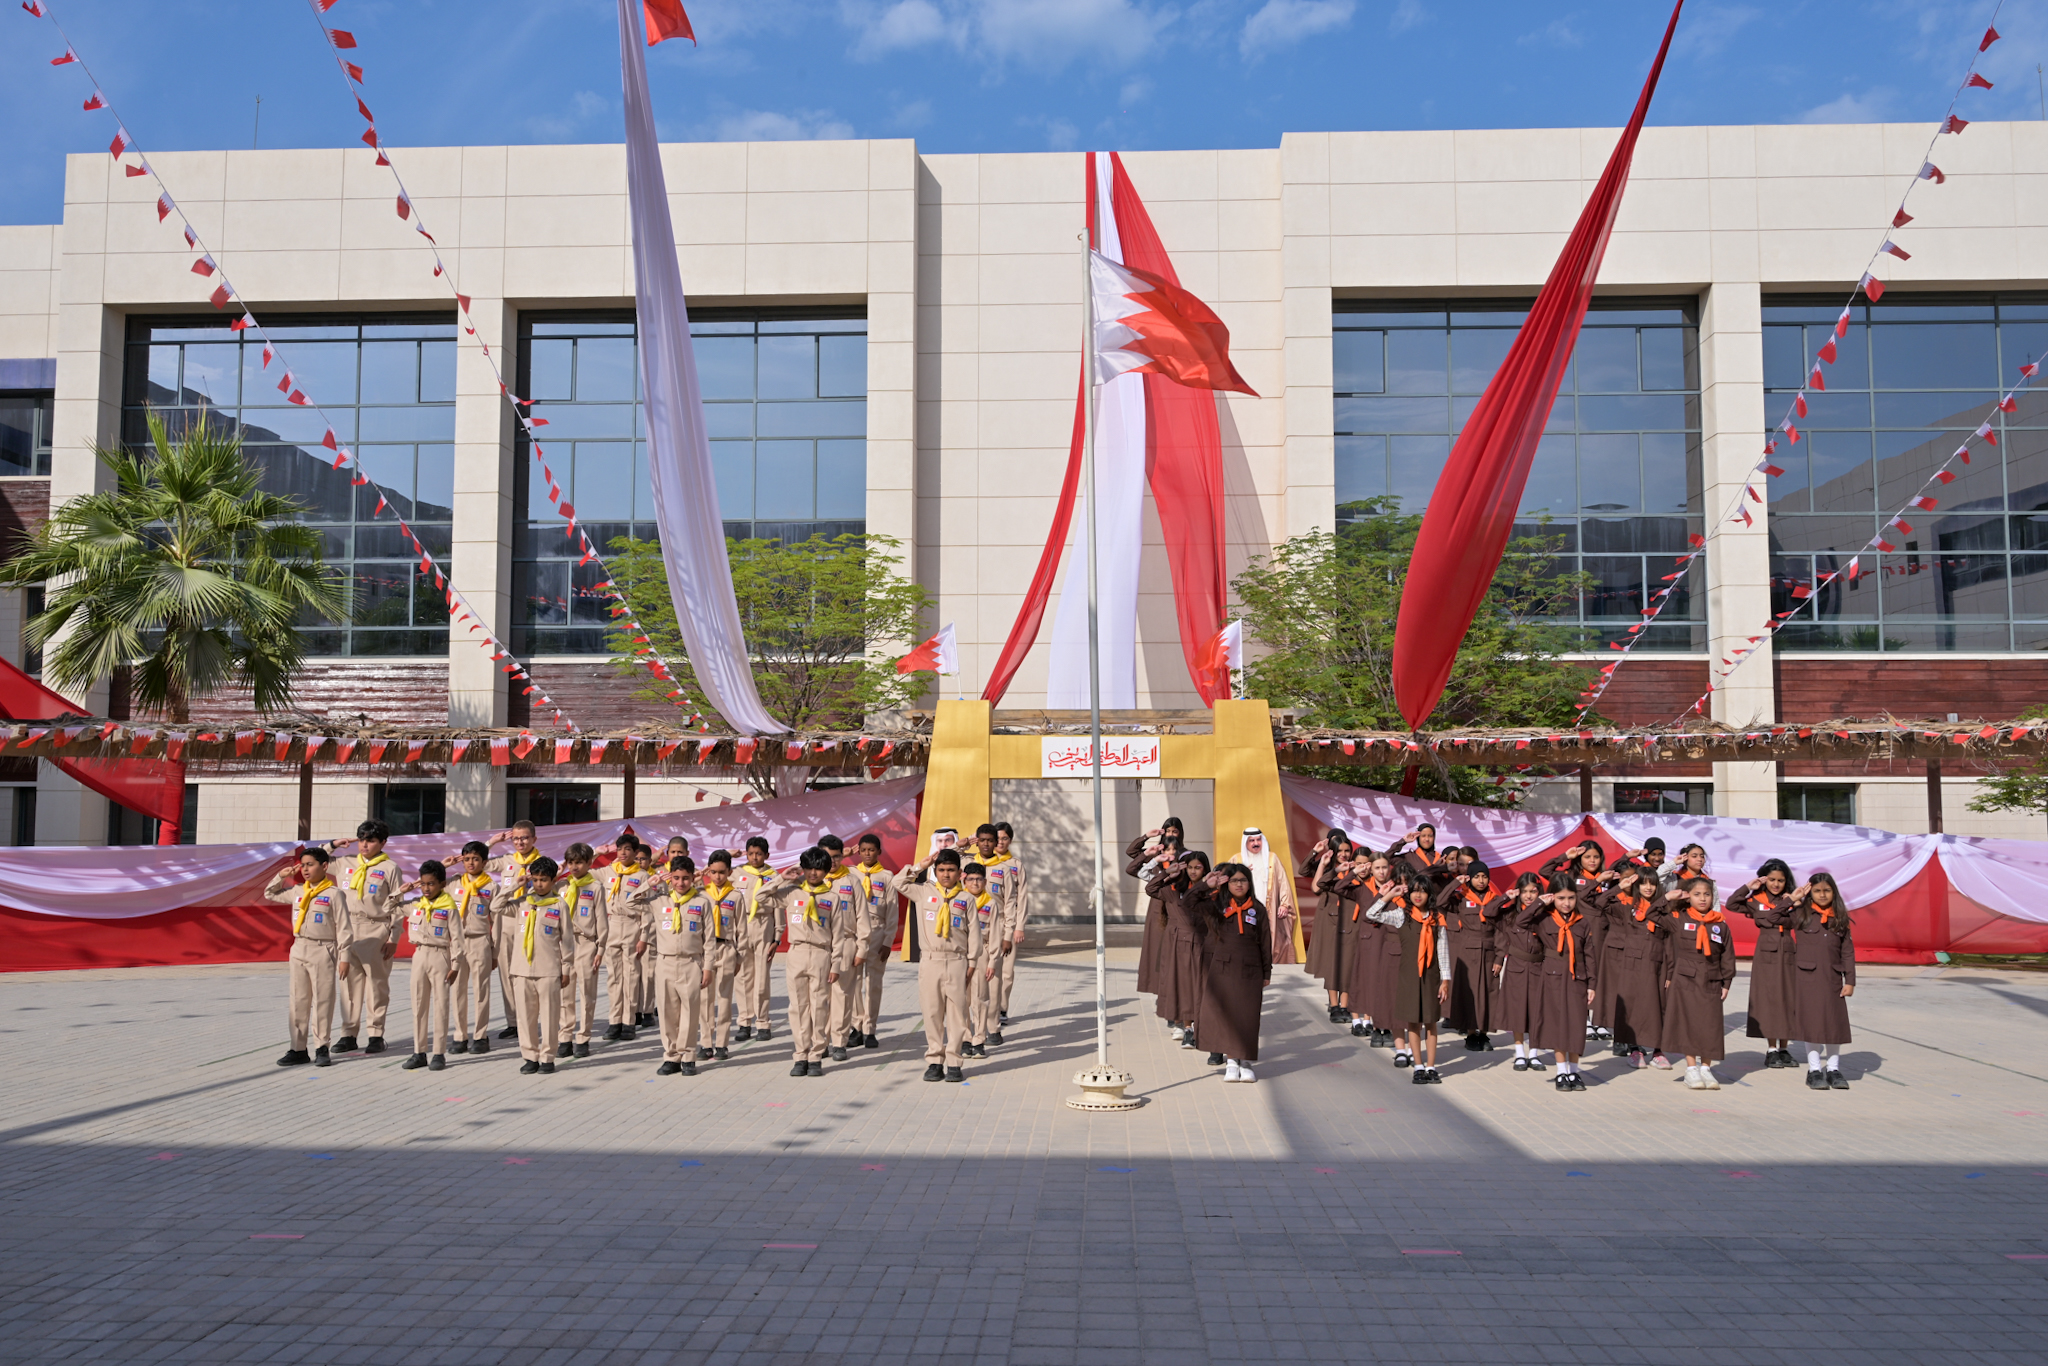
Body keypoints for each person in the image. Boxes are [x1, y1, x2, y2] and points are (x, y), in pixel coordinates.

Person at [761, 848, 855, 1077]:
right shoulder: (792, 893)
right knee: (798, 1007)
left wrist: (835, 965)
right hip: (797, 952)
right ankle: (800, 1055)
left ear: (825, 871)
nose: (814, 873)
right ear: (803, 869)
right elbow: (760, 897)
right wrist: (782, 877)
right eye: (809, 868)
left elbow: (839, 935)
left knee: (819, 1006)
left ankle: (816, 1055)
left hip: (821, 954)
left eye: (819, 869)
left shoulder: (832, 898)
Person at [892, 846, 982, 1082]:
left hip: (957, 961)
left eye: (951, 870)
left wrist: (972, 962)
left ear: (959, 873)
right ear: (935, 871)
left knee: (956, 1015)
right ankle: (934, 1060)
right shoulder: (923, 892)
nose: (946, 875)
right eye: (941, 870)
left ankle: (954, 1062)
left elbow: (974, 934)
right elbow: (897, 883)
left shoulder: (965, 899)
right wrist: (920, 866)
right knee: (932, 1013)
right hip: (931, 961)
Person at [1188, 862, 1273, 1083]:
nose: (1239, 884)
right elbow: (1189, 901)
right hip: (1223, 969)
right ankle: (1232, 1061)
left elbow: (1265, 943)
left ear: (1249, 883)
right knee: (1226, 1015)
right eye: (1234, 880)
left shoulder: (1258, 909)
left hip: (1250, 970)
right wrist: (1207, 885)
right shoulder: (1217, 906)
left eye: (1243, 880)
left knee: (1247, 1016)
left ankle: (1245, 1061)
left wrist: (1266, 972)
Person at [331, 820, 403, 1055]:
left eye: (370, 840)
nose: (364, 845)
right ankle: (348, 1033)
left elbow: (397, 905)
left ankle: (375, 1034)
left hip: (375, 929)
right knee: (348, 986)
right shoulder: (345, 862)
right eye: (361, 839)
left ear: (382, 842)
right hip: (347, 929)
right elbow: (314, 859)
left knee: (376, 985)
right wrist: (333, 844)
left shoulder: (390, 868)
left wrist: (393, 937)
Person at [266, 846, 342, 1067]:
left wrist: (344, 957)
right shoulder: (298, 890)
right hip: (299, 948)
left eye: (310, 865)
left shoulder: (334, 894)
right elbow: (270, 893)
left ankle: (321, 1047)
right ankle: (298, 1048)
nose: (305, 869)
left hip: (323, 948)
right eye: (303, 865)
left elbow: (344, 929)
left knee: (322, 1000)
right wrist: (281, 876)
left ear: (325, 866)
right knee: (298, 1000)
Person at [1591, 863, 1672, 1070]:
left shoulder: (1665, 908)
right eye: (1643, 884)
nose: (1648, 888)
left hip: (1657, 962)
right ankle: (1635, 1050)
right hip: (1632, 965)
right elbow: (1599, 903)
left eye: (1652, 884)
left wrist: (1670, 971)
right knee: (1634, 1006)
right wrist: (1620, 887)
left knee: (1657, 1006)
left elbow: (1671, 941)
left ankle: (1658, 1051)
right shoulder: (1627, 907)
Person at [1660, 877, 1735, 1090]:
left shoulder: (1720, 924)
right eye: (1697, 894)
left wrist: (1726, 982)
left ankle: (1706, 1068)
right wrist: (1668, 897)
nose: (1703, 898)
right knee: (1688, 1024)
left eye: (1707, 894)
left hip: (1710, 981)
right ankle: (1691, 1069)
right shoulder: (1678, 919)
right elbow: (1652, 914)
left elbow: (1727, 955)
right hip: (1685, 981)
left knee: (1709, 1026)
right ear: (1688, 896)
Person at [1371, 874, 1447, 1084]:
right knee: (1413, 1022)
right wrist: (1388, 895)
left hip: (1431, 976)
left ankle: (1431, 1067)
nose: (1418, 895)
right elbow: (1372, 914)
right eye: (1414, 891)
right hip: (1408, 975)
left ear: (1429, 894)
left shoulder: (1437, 918)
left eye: (1422, 891)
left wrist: (1446, 980)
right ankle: (1419, 1066)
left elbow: (1443, 952)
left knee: (1431, 1022)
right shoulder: (1401, 915)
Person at [1785, 871, 1855, 1090]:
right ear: (1810, 893)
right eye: (1817, 891)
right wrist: (1792, 899)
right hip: (1807, 980)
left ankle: (1833, 1069)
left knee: (1833, 1025)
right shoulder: (1800, 914)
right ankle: (1814, 1070)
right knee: (1813, 1025)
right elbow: (1772, 918)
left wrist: (1850, 980)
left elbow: (1847, 952)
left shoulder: (1840, 917)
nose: (1822, 895)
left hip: (1832, 979)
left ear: (1834, 892)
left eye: (1827, 890)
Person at [1727, 859, 1799, 1070]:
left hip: (1787, 950)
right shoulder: (1756, 899)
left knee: (1788, 998)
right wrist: (1749, 886)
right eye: (1772, 880)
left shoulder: (1792, 898)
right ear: (1764, 879)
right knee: (1769, 999)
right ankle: (1771, 1049)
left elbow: (1795, 921)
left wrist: (1791, 903)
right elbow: (1732, 903)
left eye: (1781, 880)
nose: (1776, 884)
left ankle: (1784, 1049)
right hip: (1766, 952)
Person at [1145, 850, 1216, 1060]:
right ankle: (1187, 1029)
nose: (1194, 871)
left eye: (1198, 867)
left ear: (1205, 869)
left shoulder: (1211, 891)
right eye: (1190, 867)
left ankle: (1203, 1028)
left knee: (1201, 986)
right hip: (1177, 944)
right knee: (1184, 986)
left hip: (1203, 943)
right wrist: (1169, 874)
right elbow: (1151, 888)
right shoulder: (1174, 889)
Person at [1527, 881, 1595, 1092]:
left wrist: (1592, 984)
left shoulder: (1583, 923)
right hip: (1553, 977)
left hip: (1577, 979)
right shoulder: (1544, 919)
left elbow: (1590, 955)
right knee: (1557, 1025)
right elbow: (1520, 921)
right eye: (1561, 898)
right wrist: (1539, 902)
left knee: (1575, 1025)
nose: (1567, 903)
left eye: (1571, 898)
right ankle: (1561, 1072)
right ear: (1553, 898)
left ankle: (1574, 1071)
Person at [508, 856, 571, 1075]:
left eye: (543, 880)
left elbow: (568, 940)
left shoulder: (559, 905)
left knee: (550, 1015)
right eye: (535, 880)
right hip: (522, 969)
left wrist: (566, 969)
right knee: (525, 1016)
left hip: (549, 969)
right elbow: (495, 906)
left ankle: (547, 1057)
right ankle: (530, 1056)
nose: (539, 884)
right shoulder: (523, 902)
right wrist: (515, 885)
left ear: (553, 881)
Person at [397, 859, 461, 1072]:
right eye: (423, 884)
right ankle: (419, 1051)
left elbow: (458, 938)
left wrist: (456, 964)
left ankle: (439, 1053)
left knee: (441, 1005)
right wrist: (403, 890)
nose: (426, 888)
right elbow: (388, 907)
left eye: (431, 884)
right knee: (418, 1005)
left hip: (440, 956)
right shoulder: (415, 904)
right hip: (419, 955)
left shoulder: (449, 907)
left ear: (442, 884)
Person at [650, 856, 708, 1077]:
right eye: (676, 878)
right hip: (665, 961)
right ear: (670, 878)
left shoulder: (702, 902)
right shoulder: (659, 900)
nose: (681, 883)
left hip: (691, 962)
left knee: (690, 1011)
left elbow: (709, 939)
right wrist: (651, 882)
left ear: (693, 878)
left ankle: (688, 1055)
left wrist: (708, 967)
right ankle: (671, 1056)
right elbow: (630, 902)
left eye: (685, 878)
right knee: (667, 1012)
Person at [485, 821, 542, 1041]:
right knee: (507, 971)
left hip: (532, 919)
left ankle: (531, 1018)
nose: (520, 842)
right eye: (516, 838)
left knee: (530, 971)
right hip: (506, 919)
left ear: (534, 839)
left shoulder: (542, 862)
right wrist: (491, 843)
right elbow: (477, 861)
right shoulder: (505, 861)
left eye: (525, 838)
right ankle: (513, 1022)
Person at [1436, 861, 1501, 1052]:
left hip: (1489, 950)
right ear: (1470, 878)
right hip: (1467, 951)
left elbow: (1501, 930)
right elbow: (1440, 902)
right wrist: (1455, 883)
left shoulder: (1494, 899)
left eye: (1484, 876)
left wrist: (1499, 958)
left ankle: (1484, 1032)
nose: (1481, 881)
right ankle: (1471, 1033)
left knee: (1489, 992)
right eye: (1476, 877)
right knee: (1470, 992)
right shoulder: (1461, 898)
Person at [1126, 820, 1184, 1028]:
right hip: (1158, 911)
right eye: (1168, 831)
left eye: (1175, 831)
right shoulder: (1156, 859)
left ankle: (1175, 1003)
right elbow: (1132, 860)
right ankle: (1164, 998)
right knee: (1159, 956)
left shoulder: (1185, 858)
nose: (1171, 835)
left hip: (1178, 911)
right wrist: (1147, 840)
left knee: (1176, 956)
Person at [553, 843, 607, 1060]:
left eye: (579, 863)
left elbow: (602, 920)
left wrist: (600, 948)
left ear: (589, 863)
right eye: (571, 863)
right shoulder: (561, 887)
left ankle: (583, 1037)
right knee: (564, 994)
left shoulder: (595, 888)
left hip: (586, 943)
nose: (574, 867)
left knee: (587, 993)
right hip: (564, 944)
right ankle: (565, 1037)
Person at [1346, 850, 1403, 1050]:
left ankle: (1386, 1027)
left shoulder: (1397, 888)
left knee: (1387, 985)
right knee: (1371, 985)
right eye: (1377, 867)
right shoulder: (1363, 888)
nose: (1381, 872)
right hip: (1369, 942)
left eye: (1384, 867)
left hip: (1389, 942)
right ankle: (1376, 1027)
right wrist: (1353, 872)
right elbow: (1335, 886)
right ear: (1371, 868)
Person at [1301, 829, 1357, 1024]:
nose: (1344, 854)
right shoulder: (1326, 868)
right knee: (1332, 964)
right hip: (1329, 919)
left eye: (1347, 850)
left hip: (1351, 919)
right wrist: (1318, 856)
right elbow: (1314, 886)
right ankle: (1334, 1006)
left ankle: (1345, 1005)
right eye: (1340, 850)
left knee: (1349, 964)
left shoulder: (1354, 869)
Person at [694, 850, 745, 1061]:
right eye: (713, 872)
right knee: (705, 999)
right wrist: (698, 877)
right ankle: (706, 1043)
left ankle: (722, 1044)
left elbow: (742, 929)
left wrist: (739, 957)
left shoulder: (735, 896)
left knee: (724, 999)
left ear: (730, 872)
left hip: (726, 949)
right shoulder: (700, 893)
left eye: (722, 872)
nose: (717, 876)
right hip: (706, 950)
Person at [846, 833, 895, 1050]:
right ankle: (856, 1026)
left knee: (873, 983)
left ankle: (870, 1028)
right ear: (859, 851)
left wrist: (888, 941)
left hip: (876, 931)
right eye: (863, 850)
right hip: (855, 933)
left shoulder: (886, 876)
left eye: (871, 850)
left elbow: (893, 911)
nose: (867, 854)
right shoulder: (849, 873)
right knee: (854, 981)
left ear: (879, 852)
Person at [1495, 873, 1548, 1073]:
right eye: (1524, 891)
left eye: (1533, 891)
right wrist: (1506, 897)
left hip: (1538, 967)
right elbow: (1490, 912)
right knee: (1517, 1011)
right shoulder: (1511, 915)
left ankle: (1533, 1054)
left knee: (1536, 1012)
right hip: (1516, 967)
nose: (1528, 896)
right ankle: (1519, 1053)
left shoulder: (1545, 915)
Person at [818, 834, 863, 1062]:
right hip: (820, 945)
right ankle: (821, 1041)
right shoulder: (813, 881)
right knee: (819, 997)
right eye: (828, 857)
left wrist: (861, 948)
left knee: (843, 995)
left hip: (845, 943)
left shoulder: (851, 880)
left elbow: (863, 916)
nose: (832, 862)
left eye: (836, 857)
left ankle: (839, 1042)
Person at [981, 822, 1029, 1032]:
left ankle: (1001, 1008)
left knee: (1006, 971)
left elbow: (1020, 898)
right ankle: (984, 1009)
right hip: (981, 924)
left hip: (1004, 923)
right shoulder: (978, 862)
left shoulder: (1015, 865)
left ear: (1010, 840)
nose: (1000, 842)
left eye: (1004, 839)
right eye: (996, 838)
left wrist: (1019, 927)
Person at [450, 841, 497, 1054]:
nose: (471, 863)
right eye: (467, 859)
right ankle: (460, 1035)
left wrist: (494, 950)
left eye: (476, 859)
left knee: (481, 990)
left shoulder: (491, 887)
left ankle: (480, 1035)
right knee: (457, 990)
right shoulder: (453, 884)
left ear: (484, 862)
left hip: (479, 941)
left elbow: (496, 921)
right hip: (458, 942)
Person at [732, 836, 780, 1043]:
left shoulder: (774, 876)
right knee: (743, 978)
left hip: (764, 926)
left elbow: (778, 905)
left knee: (761, 980)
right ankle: (744, 1021)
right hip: (742, 927)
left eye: (759, 854)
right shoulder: (737, 873)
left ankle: (763, 1022)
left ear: (767, 855)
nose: (754, 857)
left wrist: (777, 937)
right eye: (751, 853)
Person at [1233, 827, 1297, 967]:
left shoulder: (1272, 859)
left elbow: (1283, 882)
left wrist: (1285, 904)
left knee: (1269, 938)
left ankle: (1268, 966)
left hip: (1268, 910)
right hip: (1243, 909)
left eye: (1258, 839)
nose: (1256, 843)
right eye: (1252, 840)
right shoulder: (1237, 860)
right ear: (1246, 843)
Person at [962, 861, 1003, 1059]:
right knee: (962, 999)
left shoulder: (990, 903)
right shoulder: (958, 900)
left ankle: (979, 1039)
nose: (975, 883)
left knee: (980, 998)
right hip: (960, 953)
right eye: (971, 879)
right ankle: (965, 1038)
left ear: (985, 881)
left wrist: (992, 961)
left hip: (981, 953)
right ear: (964, 881)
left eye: (979, 879)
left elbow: (995, 933)